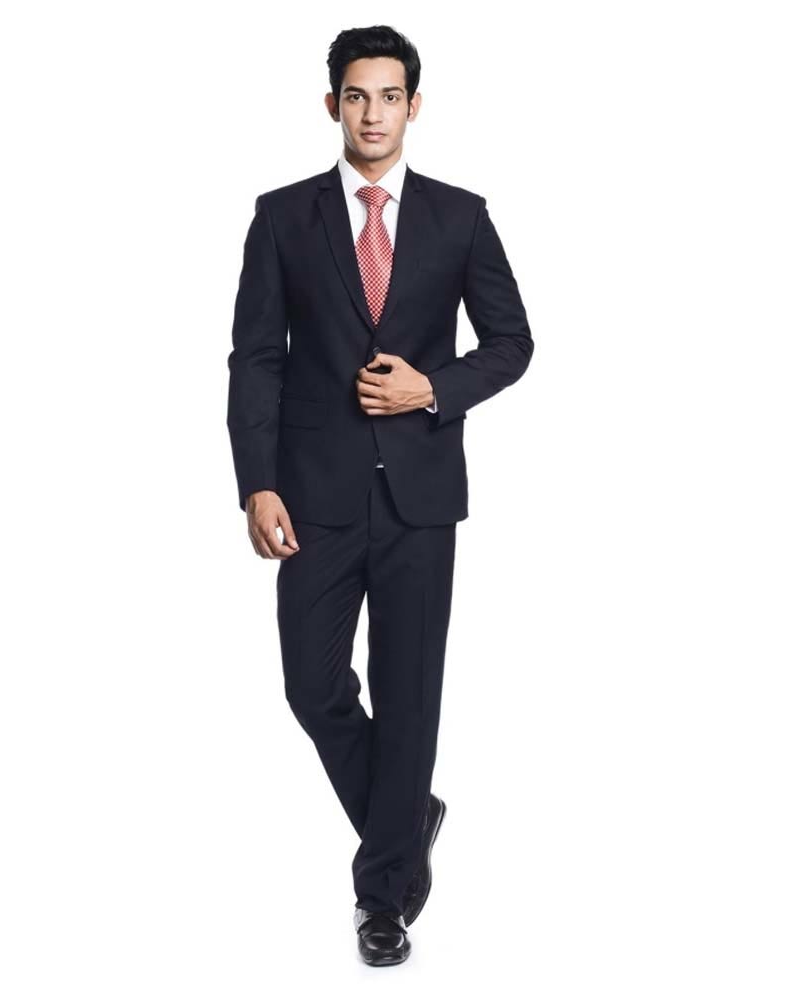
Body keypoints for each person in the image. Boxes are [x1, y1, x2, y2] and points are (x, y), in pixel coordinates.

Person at [226, 24, 534, 966]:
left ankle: (382, 900)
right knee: (312, 685)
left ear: (414, 106)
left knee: (409, 697)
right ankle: (408, 817)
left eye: (389, 96)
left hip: (420, 499)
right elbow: (255, 359)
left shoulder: (460, 217)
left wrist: (432, 388)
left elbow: (512, 342)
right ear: (333, 104)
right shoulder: (283, 217)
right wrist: (257, 483)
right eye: (356, 96)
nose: (372, 113)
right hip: (312, 496)